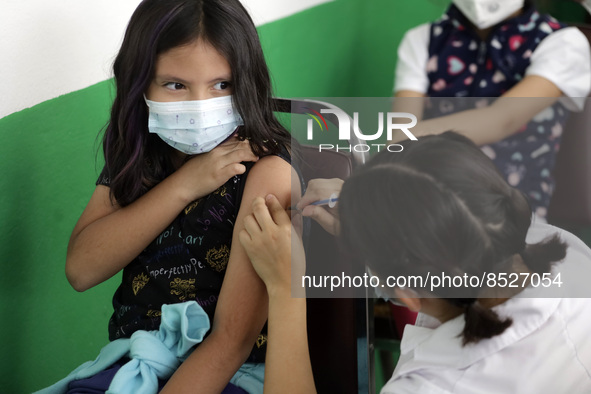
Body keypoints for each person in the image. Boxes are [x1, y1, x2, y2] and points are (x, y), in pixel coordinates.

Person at [57, 0, 298, 392]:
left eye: (222, 84)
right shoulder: (141, 150)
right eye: (176, 85)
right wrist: (186, 184)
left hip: (232, 374)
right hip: (138, 362)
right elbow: (82, 269)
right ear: (140, 84)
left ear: (246, 81)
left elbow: (231, 342)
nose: (200, 106)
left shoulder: (267, 171)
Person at [240, 132, 591, 393]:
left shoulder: (432, 386)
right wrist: (375, 212)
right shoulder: (566, 255)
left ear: (406, 293)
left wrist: (285, 288)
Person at [391, 0, 591, 219]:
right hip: (430, 203)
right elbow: (403, 126)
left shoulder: (563, 43)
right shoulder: (423, 39)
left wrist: (404, 137)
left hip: (514, 212)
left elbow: (503, 119)